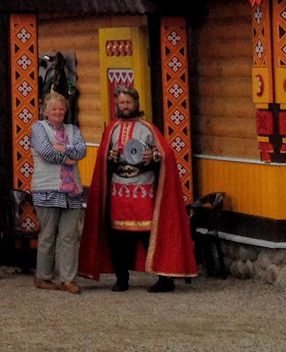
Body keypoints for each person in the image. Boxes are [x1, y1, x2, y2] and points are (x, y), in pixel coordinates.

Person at [79, 84, 197, 292]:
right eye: (121, 102)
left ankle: (164, 278)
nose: (125, 106)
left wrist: (153, 157)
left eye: (128, 102)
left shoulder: (148, 129)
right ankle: (121, 278)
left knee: (148, 234)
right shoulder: (112, 129)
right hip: (119, 191)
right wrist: (111, 159)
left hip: (144, 190)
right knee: (119, 238)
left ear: (136, 103)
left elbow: (166, 156)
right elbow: (103, 164)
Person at [28, 91, 88, 293]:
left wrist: (60, 148)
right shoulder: (38, 128)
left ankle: (68, 279)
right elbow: (45, 152)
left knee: (69, 236)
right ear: (45, 111)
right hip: (47, 188)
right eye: (53, 108)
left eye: (61, 109)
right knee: (48, 234)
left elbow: (82, 151)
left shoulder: (73, 129)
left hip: (72, 191)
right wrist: (66, 157)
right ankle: (43, 277)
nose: (58, 112)